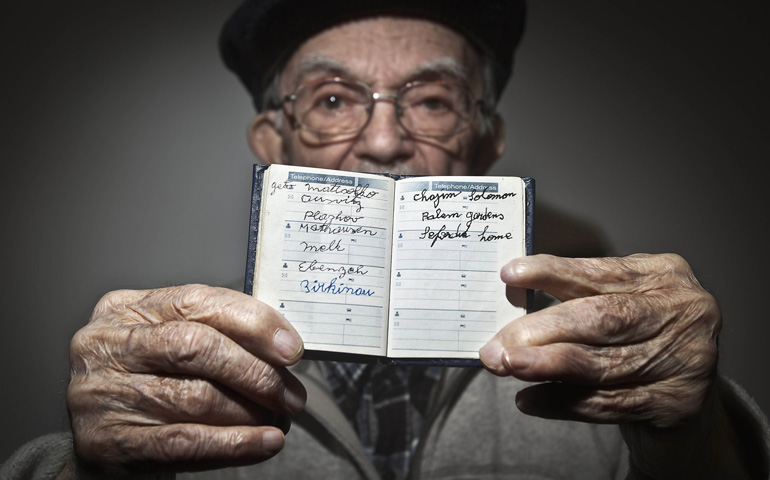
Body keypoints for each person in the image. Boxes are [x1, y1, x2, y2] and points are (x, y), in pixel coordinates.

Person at [2, 0, 768, 479]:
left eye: (431, 100)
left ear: (487, 138)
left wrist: (696, 433)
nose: (382, 141)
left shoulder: (596, 384)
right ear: (271, 139)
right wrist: (88, 469)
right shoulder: (186, 383)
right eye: (334, 99)